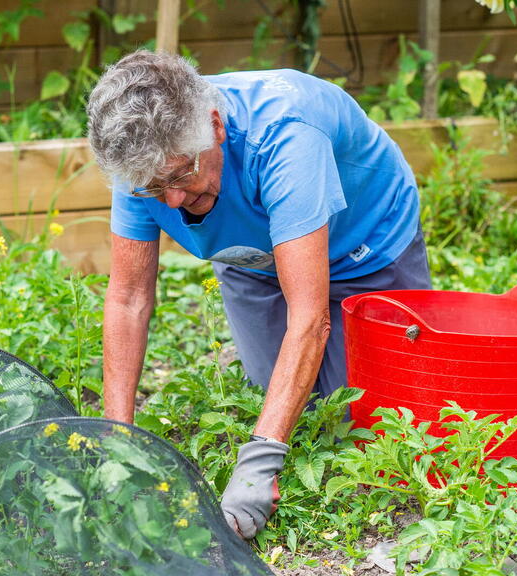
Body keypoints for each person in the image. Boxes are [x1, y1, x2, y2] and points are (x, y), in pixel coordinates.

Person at [87, 49, 431, 540]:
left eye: (183, 174)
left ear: (215, 126)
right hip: (253, 258)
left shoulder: (285, 134)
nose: (173, 201)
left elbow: (310, 318)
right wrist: (115, 440)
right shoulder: (146, 163)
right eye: (153, 187)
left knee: (372, 423)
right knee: (304, 411)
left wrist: (259, 460)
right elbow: (128, 300)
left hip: (366, 248)